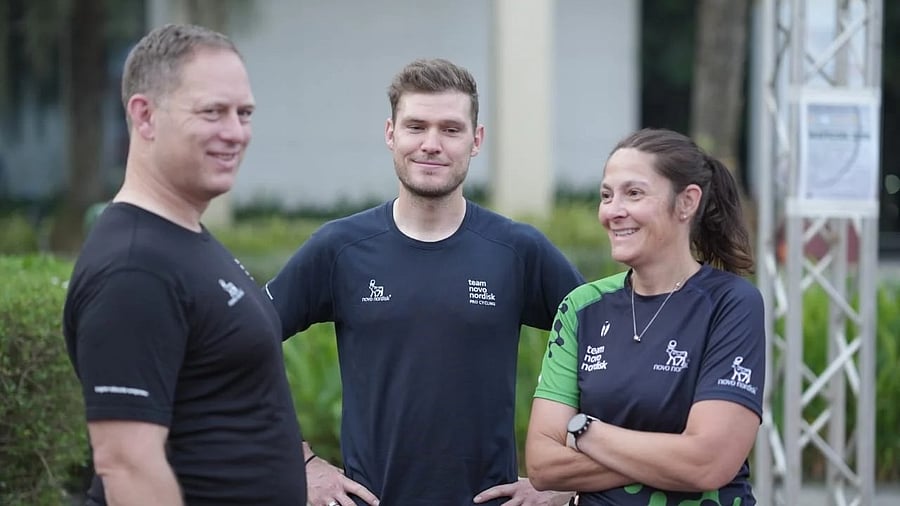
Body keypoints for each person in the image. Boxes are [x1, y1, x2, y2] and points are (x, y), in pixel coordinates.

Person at [265, 58, 583, 506]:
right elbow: (239, 346)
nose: (431, 144)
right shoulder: (339, 248)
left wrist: (567, 478)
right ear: (391, 133)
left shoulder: (518, 250)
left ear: (476, 141)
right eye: (416, 126)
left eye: (450, 129)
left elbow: (609, 355)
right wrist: (298, 462)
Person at [63, 24, 307, 505]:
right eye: (213, 112)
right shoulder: (135, 269)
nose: (235, 132)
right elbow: (128, 466)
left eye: (245, 113)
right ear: (145, 116)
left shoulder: (181, 237)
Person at [525, 128, 765, 505]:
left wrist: (584, 431)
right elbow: (542, 465)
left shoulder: (731, 303)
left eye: (633, 193)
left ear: (686, 202)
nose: (613, 211)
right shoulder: (582, 305)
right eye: (606, 195)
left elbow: (709, 464)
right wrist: (673, 456)